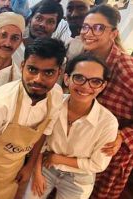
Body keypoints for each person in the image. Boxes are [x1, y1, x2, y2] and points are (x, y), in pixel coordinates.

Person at [0, 38, 66, 199]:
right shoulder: (2, 102)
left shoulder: (56, 95)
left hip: (13, 173)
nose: (38, 79)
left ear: (59, 72)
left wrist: (29, 166)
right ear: (22, 67)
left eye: (48, 73)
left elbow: (44, 132)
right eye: (32, 70)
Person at [25, 54, 118, 199]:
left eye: (95, 81)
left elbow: (98, 164)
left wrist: (58, 159)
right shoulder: (53, 104)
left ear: (103, 86)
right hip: (45, 167)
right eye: (79, 78)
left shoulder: (108, 122)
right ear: (67, 79)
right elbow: (39, 141)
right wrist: (36, 173)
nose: (86, 86)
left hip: (80, 176)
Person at [75, 5, 133, 199]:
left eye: (98, 28)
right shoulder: (86, 56)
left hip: (109, 151)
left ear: (113, 33)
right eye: (85, 27)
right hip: (82, 144)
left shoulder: (125, 66)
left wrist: (122, 137)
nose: (88, 33)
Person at [12, 0, 66, 69]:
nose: (42, 25)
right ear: (30, 19)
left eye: (50, 22)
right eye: (39, 18)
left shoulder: (58, 58)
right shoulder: (14, 46)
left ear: (56, 27)